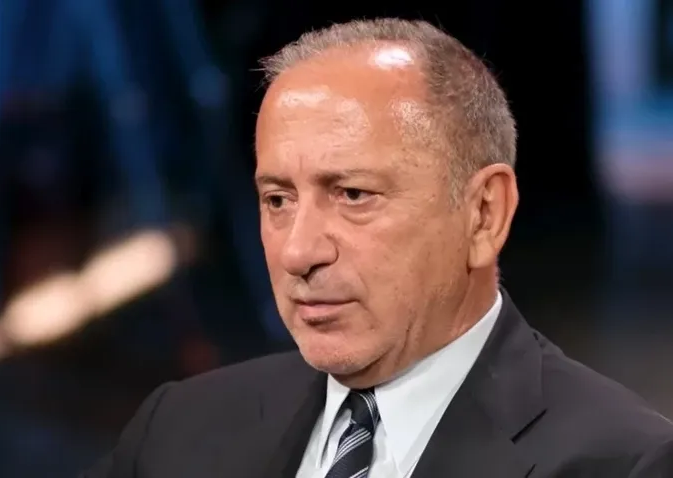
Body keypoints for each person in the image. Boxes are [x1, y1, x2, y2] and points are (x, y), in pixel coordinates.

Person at [81, 18, 673, 478]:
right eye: (278, 200)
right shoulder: (176, 429)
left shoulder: (624, 464)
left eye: (353, 194)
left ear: (484, 215)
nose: (298, 253)